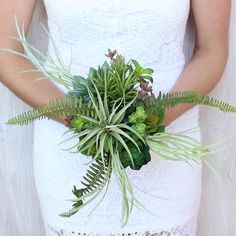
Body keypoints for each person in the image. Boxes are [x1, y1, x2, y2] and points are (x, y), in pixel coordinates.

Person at [0, 0, 231, 235]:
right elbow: (5, 53)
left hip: (167, 153)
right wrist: (82, 119)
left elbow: (211, 50)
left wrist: (155, 118)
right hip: (70, 152)